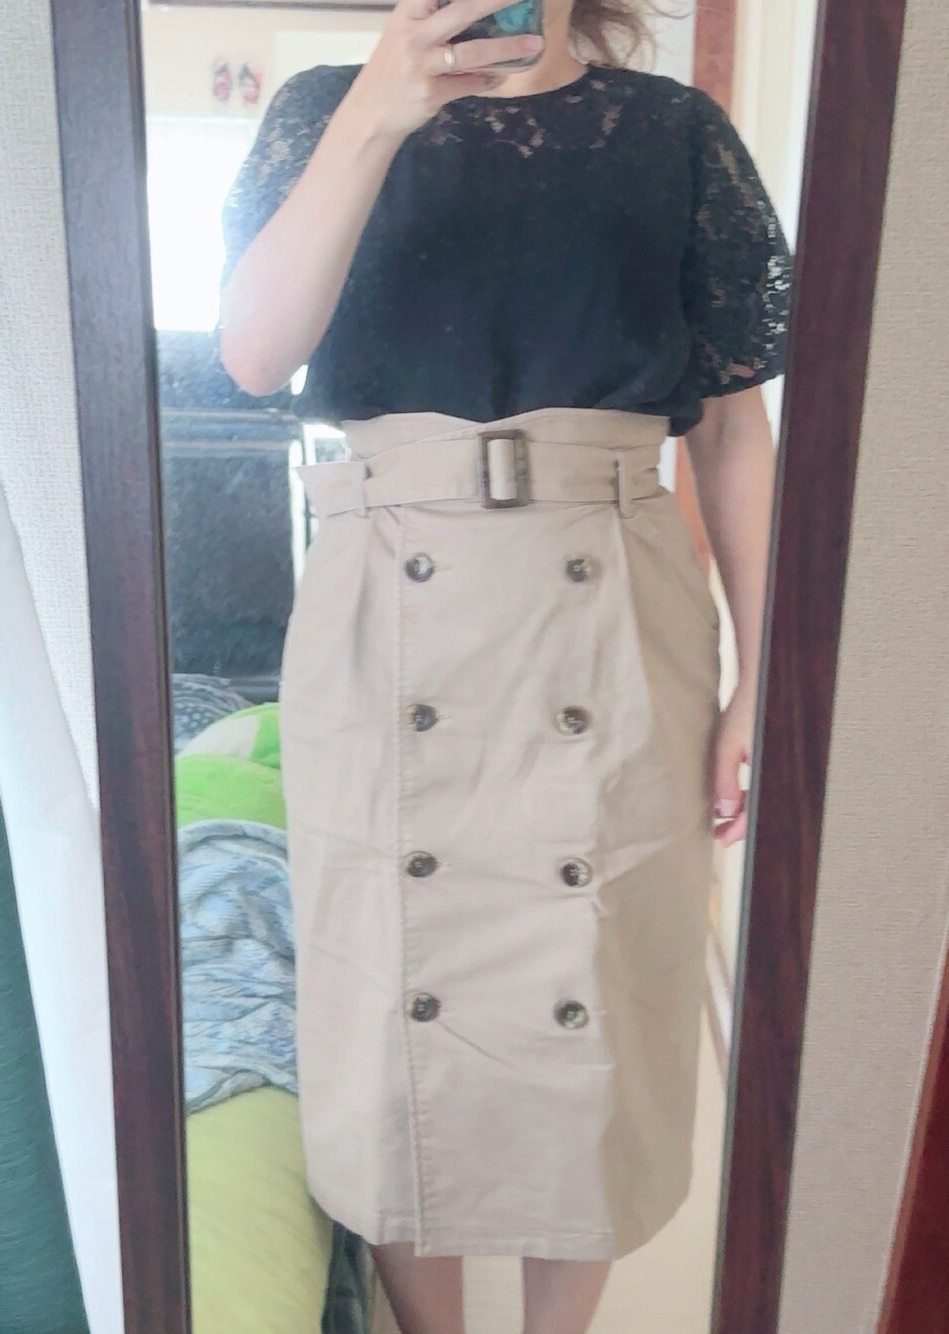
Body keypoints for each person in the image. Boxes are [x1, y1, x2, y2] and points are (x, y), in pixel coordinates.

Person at [217, 0, 791, 1328]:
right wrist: (377, 112)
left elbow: (732, 434)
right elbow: (253, 352)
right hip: (384, 600)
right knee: (388, 1000)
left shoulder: (674, 132)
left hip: (612, 599)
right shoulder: (325, 108)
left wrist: (768, 674)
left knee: (594, 989)